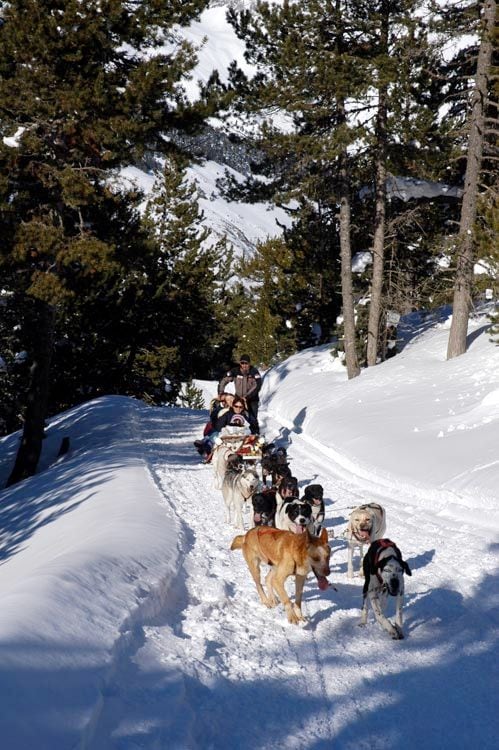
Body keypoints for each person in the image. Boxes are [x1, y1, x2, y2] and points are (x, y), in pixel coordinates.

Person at [218, 354, 262, 433]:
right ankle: (233, 434)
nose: (244, 365)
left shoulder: (254, 372)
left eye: (246, 363)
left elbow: (257, 385)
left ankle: (256, 436)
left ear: (249, 363)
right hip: (238, 399)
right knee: (233, 416)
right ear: (240, 363)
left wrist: (247, 397)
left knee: (252, 418)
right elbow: (224, 380)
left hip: (252, 399)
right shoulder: (235, 371)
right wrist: (221, 393)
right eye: (242, 363)